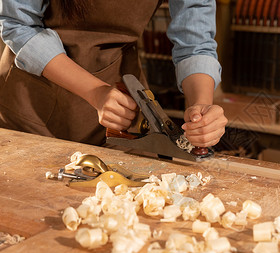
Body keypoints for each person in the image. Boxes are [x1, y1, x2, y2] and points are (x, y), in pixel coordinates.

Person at [0, 0, 227, 147]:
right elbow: (19, 25)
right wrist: (96, 92)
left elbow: (195, 43)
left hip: (120, 99)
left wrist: (202, 109)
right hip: (32, 99)